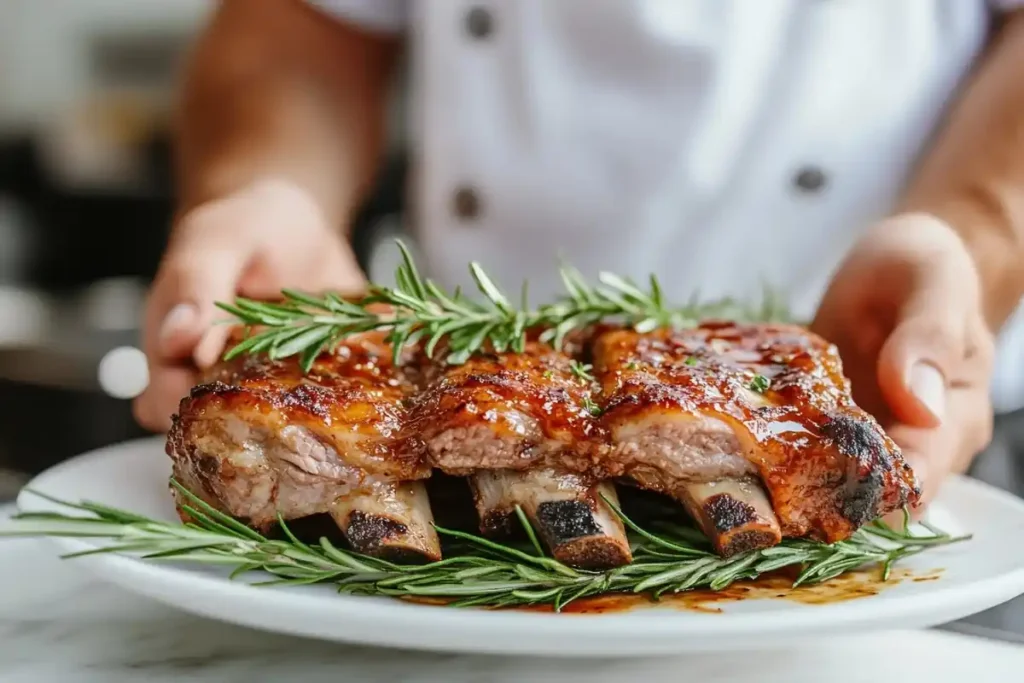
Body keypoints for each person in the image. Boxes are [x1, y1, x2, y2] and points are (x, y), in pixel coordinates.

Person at [134, 0, 1024, 512]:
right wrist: (269, 188)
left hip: (882, 390)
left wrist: (969, 238)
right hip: (449, 423)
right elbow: (297, 23)